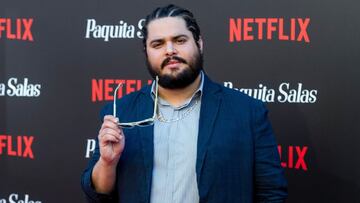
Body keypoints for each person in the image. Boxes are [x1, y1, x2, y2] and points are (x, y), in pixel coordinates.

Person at [81, 4, 287, 203]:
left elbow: (271, 193)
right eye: (158, 44)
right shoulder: (121, 112)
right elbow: (98, 195)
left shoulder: (248, 112)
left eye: (179, 40)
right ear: (146, 52)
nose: (170, 50)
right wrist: (108, 163)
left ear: (199, 43)